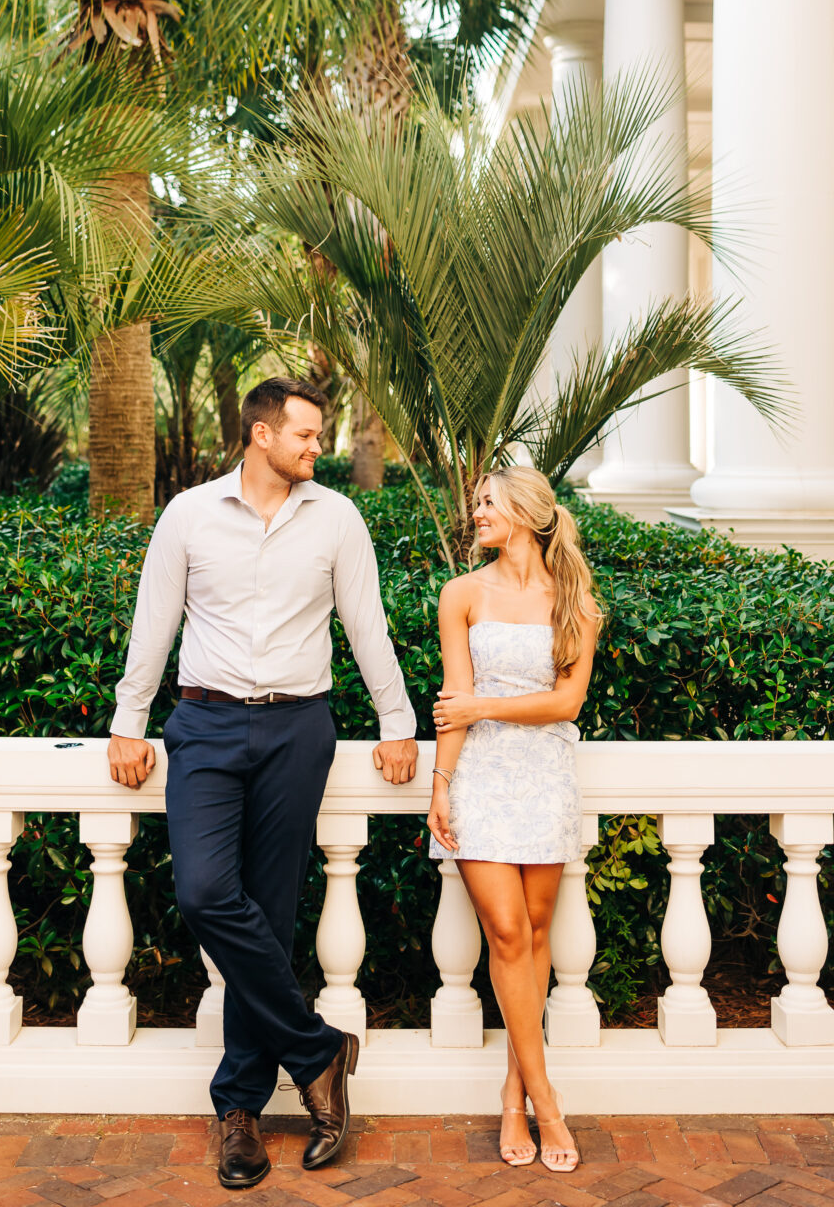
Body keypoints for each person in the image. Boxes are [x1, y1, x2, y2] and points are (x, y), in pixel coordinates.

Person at [106, 377, 418, 1190]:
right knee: (207, 894)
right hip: (205, 725)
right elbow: (155, 618)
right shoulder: (189, 514)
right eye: (306, 436)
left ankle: (239, 1112)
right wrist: (128, 720)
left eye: (320, 436)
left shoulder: (337, 519)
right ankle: (318, 1052)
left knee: (271, 917)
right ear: (260, 435)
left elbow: (366, 623)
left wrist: (397, 722)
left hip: (297, 729)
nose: (318, 448)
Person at [427, 467, 599, 1174]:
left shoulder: (575, 601)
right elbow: (453, 697)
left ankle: (510, 1092)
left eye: (488, 503)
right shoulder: (461, 594)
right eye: (477, 505)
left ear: (526, 514)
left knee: (532, 934)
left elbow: (567, 703)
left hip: (545, 774)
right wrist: (439, 786)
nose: (476, 514)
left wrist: (482, 709)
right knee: (503, 930)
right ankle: (547, 1101)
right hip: (480, 778)